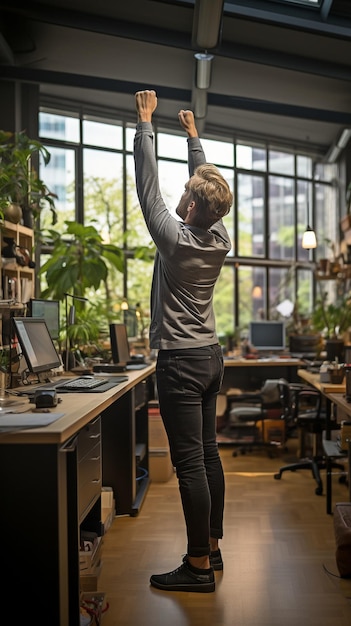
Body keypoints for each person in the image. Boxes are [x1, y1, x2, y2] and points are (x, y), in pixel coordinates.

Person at [134, 90, 233, 593]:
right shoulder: (219, 238)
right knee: (209, 456)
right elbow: (211, 185)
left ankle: (196, 566)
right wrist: (194, 138)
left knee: (190, 464)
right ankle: (212, 548)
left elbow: (147, 187)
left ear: (191, 204)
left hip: (180, 362)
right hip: (211, 358)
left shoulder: (173, 239)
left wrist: (147, 124)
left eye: (190, 191)